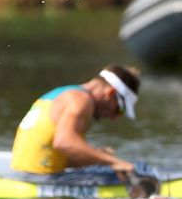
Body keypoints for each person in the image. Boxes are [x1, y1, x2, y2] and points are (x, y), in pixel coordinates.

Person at [11, 64, 139, 177]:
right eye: (119, 110)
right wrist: (115, 162)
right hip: (38, 181)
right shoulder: (80, 100)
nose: (114, 118)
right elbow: (64, 142)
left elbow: (54, 155)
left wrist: (97, 158)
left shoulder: (63, 92)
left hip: (23, 175)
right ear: (110, 93)